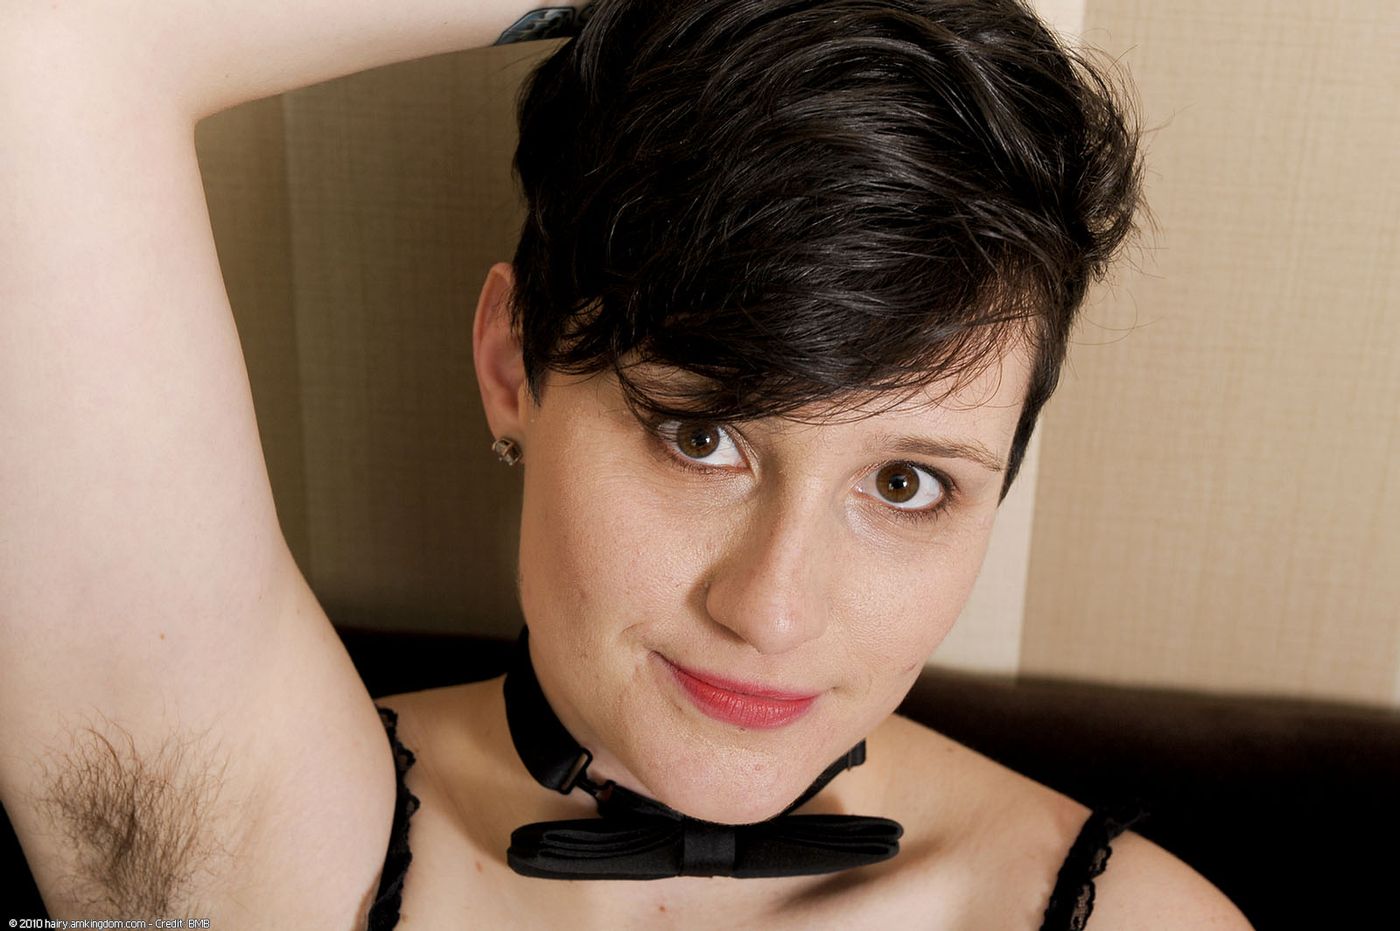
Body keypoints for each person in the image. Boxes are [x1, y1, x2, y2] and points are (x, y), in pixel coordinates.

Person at [0, 0, 1255, 927]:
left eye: (904, 484)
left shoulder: (1132, 922)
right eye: (700, 436)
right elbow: (42, 39)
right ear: (513, 360)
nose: (770, 611)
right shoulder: (250, 837)